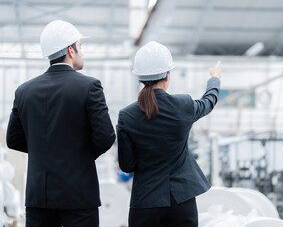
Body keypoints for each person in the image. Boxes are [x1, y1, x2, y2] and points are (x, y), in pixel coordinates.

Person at [6, 20, 115, 227]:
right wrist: (78, 157)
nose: (82, 51)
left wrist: (44, 152)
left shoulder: (24, 91)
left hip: (39, 196)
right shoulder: (89, 87)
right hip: (79, 195)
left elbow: (13, 140)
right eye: (80, 46)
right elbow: (106, 137)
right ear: (70, 50)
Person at [117, 41, 221, 227]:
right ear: (167, 75)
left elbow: (127, 164)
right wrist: (215, 79)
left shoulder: (127, 116)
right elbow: (209, 101)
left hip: (145, 202)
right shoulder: (183, 105)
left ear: (139, 78)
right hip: (181, 201)